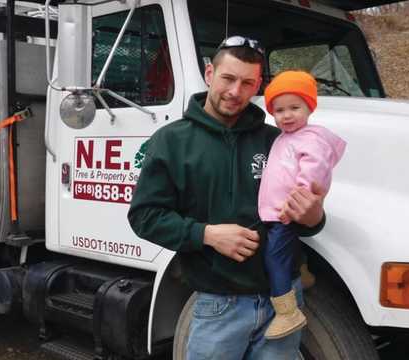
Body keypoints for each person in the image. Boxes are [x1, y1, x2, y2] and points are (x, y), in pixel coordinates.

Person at [127, 36, 326, 360]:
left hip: (285, 303)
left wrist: (313, 215)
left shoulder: (278, 140)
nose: (236, 92)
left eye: (247, 83)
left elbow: (303, 222)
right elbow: (144, 216)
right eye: (228, 78)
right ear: (209, 74)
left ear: (258, 85)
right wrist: (208, 234)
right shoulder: (171, 142)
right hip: (220, 306)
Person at [258, 71, 346, 340]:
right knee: (287, 248)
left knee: (274, 256)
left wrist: (299, 199)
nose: (286, 115)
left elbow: (314, 170)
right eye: (279, 110)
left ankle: (287, 313)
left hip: (288, 210)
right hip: (278, 209)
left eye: (294, 108)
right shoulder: (285, 137)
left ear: (310, 107)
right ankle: (303, 272)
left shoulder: (311, 138)